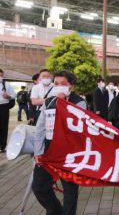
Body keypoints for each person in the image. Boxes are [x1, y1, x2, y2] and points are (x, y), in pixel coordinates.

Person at [32, 70, 87, 215]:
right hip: (48, 151)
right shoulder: (49, 101)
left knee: (69, 191)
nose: (59, 86)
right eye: (56, 84)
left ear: (71, 86)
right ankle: (55, 211)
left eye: (63, 84)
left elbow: (77, 129)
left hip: (69, 153)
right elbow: (40, 129)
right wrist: (38, 152)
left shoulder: (79, 102)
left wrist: (62, 102)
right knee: (39, 187)